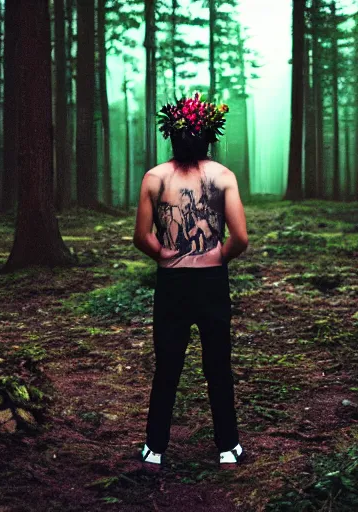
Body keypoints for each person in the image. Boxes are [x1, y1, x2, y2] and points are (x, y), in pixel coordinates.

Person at [133, 92, 249, 467]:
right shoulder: (223, 176)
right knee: (218, 364)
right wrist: (216, 256)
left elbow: (142, 237)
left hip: (172, 285)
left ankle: (154, 448)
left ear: (173, 135)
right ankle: (228, 447)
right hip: (212, 281)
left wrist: (163, 254)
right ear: (209, 136)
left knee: (167, 364)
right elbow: (240, 238)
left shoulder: (155, 177)